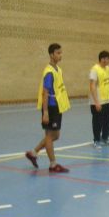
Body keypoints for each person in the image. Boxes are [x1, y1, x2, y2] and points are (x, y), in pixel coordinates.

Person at [24, 43, 70, 173]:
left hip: (57, 106)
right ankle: (53, 164)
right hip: (50, 107)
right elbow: (45, 92)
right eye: (58, 53)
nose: (60, 55)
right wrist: (45, 112)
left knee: (55, 135)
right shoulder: (48, 72)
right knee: (50, 135)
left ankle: (33, 152)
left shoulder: (58, 70)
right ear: (51, 55)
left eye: (61, 53)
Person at [89, 50, 109, 148]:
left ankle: (105, 137)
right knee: (97, 122)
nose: (107, 61)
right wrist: (96, 102)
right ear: (101, 59)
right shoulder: (94, 69)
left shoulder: (107, 68)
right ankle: (96, 140)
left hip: (108, 100)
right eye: (105, 59)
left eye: (108, 59)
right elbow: (92, 86)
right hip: (98, 101)